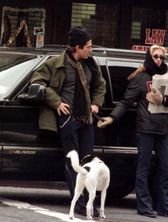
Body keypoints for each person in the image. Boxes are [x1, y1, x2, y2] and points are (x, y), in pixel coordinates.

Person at [98, 44, 168, 218]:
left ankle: (165, 205)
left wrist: (164, 98)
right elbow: (126, 102)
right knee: (143, 168)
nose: (159, 60)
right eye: (156, 56)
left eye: (162, 57)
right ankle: (144, 205)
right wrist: (112, 118)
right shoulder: (140, 78)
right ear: (150, 58)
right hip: (145, 128)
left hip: (163, 129)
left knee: (167, 167)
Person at [31, 26, 106, 216]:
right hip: (67, 119)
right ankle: (79, 203)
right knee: (73, 162)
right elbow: (38, 83)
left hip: (87, 120)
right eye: (88, 46)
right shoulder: (56, 63)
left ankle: (88, 202)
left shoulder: (91, 64)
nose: (91, 50)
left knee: (88, 162)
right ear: (77, 47)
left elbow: (100, 85)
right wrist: (56, 103)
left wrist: (96, 104)